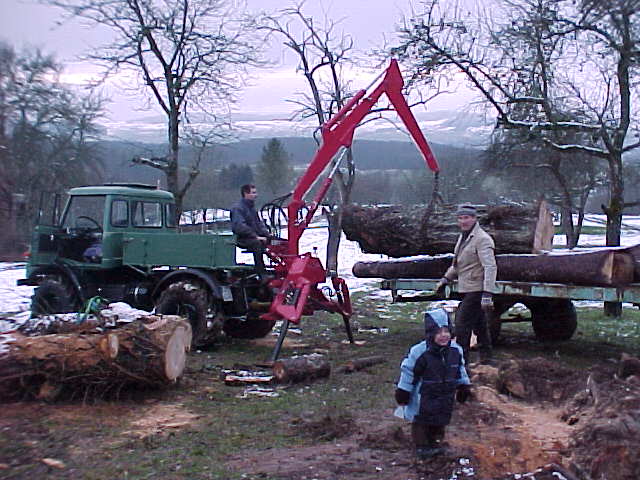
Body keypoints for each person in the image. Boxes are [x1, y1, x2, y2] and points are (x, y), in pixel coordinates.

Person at [395, 308, 471, 460]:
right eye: (438, 332)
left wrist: (463, 385)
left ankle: (436, 442)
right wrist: (403, 391)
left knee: (440, 420)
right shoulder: (420, 352)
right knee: (422, 421)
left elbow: (460, 369)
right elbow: (409, 371)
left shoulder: (456, 350)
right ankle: (422, 447)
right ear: (430, 333)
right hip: (424, 395)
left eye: (446, 331)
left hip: (445, 394)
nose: (443, 336)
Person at [436, 204, 497, 364]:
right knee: (480, 326)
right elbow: (458, 264)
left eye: (467, 217)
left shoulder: (482, 239)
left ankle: (460, 363)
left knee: (462, 325)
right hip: (467, 288)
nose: (463, 221)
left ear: (474, 219)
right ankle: (487, 359)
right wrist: (445, 279)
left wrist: (487, 293)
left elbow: (490, 267)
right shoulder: (464, 237)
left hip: (476, 290)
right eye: (461, 218)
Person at [230, 184, 271, 276]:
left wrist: (266, 234)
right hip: (243, 238)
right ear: (245, 193)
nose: (256, 195)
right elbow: (240, 227)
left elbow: (259, 224)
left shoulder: (251, 208)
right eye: (253, 193)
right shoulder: (238, 208)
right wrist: (256, 237)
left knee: (273, 241)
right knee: (257, 243)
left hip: (254, 236)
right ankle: (261, 272)